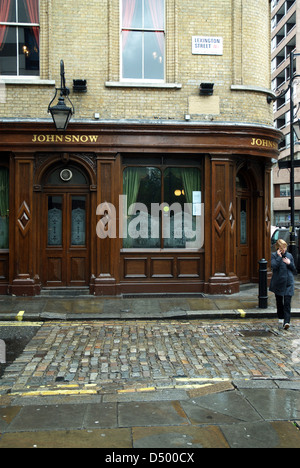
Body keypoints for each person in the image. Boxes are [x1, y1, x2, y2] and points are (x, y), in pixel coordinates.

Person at [269, 239, 297, 330]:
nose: (283, 249)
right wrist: (278, 256)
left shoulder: (289, 256)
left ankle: (287, 322)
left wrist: (289, 263)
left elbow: (294, 270)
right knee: (279, 301)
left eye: (284, 247)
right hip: (278, 283)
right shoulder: (274, 256)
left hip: (289, 282)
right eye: (281, 248)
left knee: (287, 303)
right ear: (278, 248)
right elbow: (273, 266)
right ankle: (281, 316)